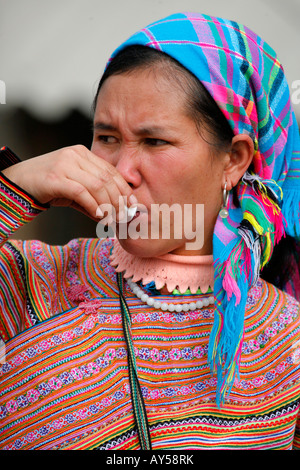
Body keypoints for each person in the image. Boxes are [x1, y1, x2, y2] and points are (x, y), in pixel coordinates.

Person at [0, 12, 300, 450]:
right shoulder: (31, 284)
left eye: (155, 142)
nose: (122, 171)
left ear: (233, 159)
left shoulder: (285, 341)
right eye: (106, 137)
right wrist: (15, 186)